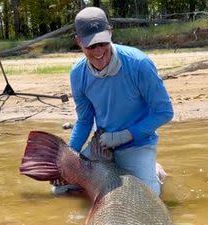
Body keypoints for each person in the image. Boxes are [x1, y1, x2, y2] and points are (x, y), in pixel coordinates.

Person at [52, 6, 173, 196]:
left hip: (138, 144)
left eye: (102, 43)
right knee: (60, 189)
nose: (99, 51)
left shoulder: (139, 64)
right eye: (91, 46)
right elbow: (84, 121)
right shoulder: (78, 73)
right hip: (102, 146)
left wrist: (125, 135)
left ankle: (153, 170)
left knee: (149, 197)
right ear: (78, 42)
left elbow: (164, 112)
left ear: (110, 33)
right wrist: (69, 158)